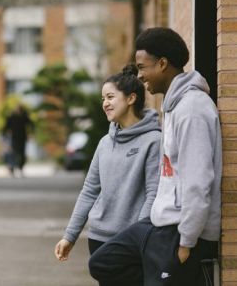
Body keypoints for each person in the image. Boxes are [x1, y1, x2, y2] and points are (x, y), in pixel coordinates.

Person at [89, 27, 222, 286]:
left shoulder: (192, 110)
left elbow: (198, 183)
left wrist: (186, 241)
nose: (139, 76)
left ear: (162, 64)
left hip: (180, 231)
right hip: (159, 224)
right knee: (103, 262)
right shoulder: (172, 107)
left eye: (142, 67)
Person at [54, 65, 161, 274]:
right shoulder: (105, 142)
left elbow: (153, 194)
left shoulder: (153, 141)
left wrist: (137, 238)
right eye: (103, 98)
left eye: (110, 97)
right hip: (98, 237)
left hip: (130, 241)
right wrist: (70, 236)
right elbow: (89, 190)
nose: (105, 104)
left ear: (131, 99)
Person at [2, 104, 33, 176]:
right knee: (14, 153)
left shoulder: (24, 117)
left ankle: (20, 167)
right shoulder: (12, 117)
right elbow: (6, 126)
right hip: (14, 138)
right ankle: (12, 168)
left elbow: (31, 124)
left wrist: (31, 133)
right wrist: (4, 135)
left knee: (22, 153)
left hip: (22, 138)